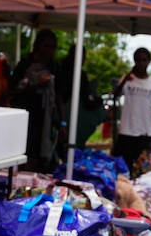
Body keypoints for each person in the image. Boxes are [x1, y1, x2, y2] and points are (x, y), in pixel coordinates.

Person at [9, 30, 62, 172]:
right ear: (38, 45)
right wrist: (35, 85)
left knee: (41, 156)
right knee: (26, 154)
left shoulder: (54, 67)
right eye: (47, 46)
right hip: (25, 115)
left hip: (45, 118)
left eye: (53, 47)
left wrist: (62, 122)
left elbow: (59, 95)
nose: (50, 50)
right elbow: (11, 90)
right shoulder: (25, 64)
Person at [112, 47, 151, 168]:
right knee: (124, 166)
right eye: (138, 60)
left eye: (144, 60)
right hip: (127, 129)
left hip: (145, 130)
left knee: (141, 167)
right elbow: (115, 95)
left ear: (149, 61)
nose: (141, 63)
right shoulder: (128, 79)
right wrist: (125, 79)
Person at [55, 44, 106, 156]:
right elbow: (87, 101)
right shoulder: (78, 74)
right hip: (66, 119)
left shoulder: (61, 69)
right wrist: (99, 101)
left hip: (57, 116)